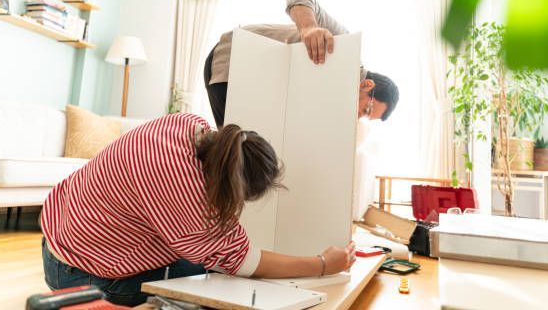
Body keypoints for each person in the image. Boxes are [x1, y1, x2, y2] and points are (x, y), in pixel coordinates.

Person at [40, 113, 355, 306]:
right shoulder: (186, 196)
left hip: (59, 229)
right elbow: (245, 261)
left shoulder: (189, 125)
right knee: (210, 276)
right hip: (81, 273)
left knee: (206, 261)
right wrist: (323, 264)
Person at [204, 0, 400, 127]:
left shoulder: (335, 101)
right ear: (367, 85)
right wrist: (309, 27)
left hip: (256, 85)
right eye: (366, 110)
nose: (358, 116)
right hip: (233, 62)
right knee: (236, 155)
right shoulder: (343, 43)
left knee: (244, 160)